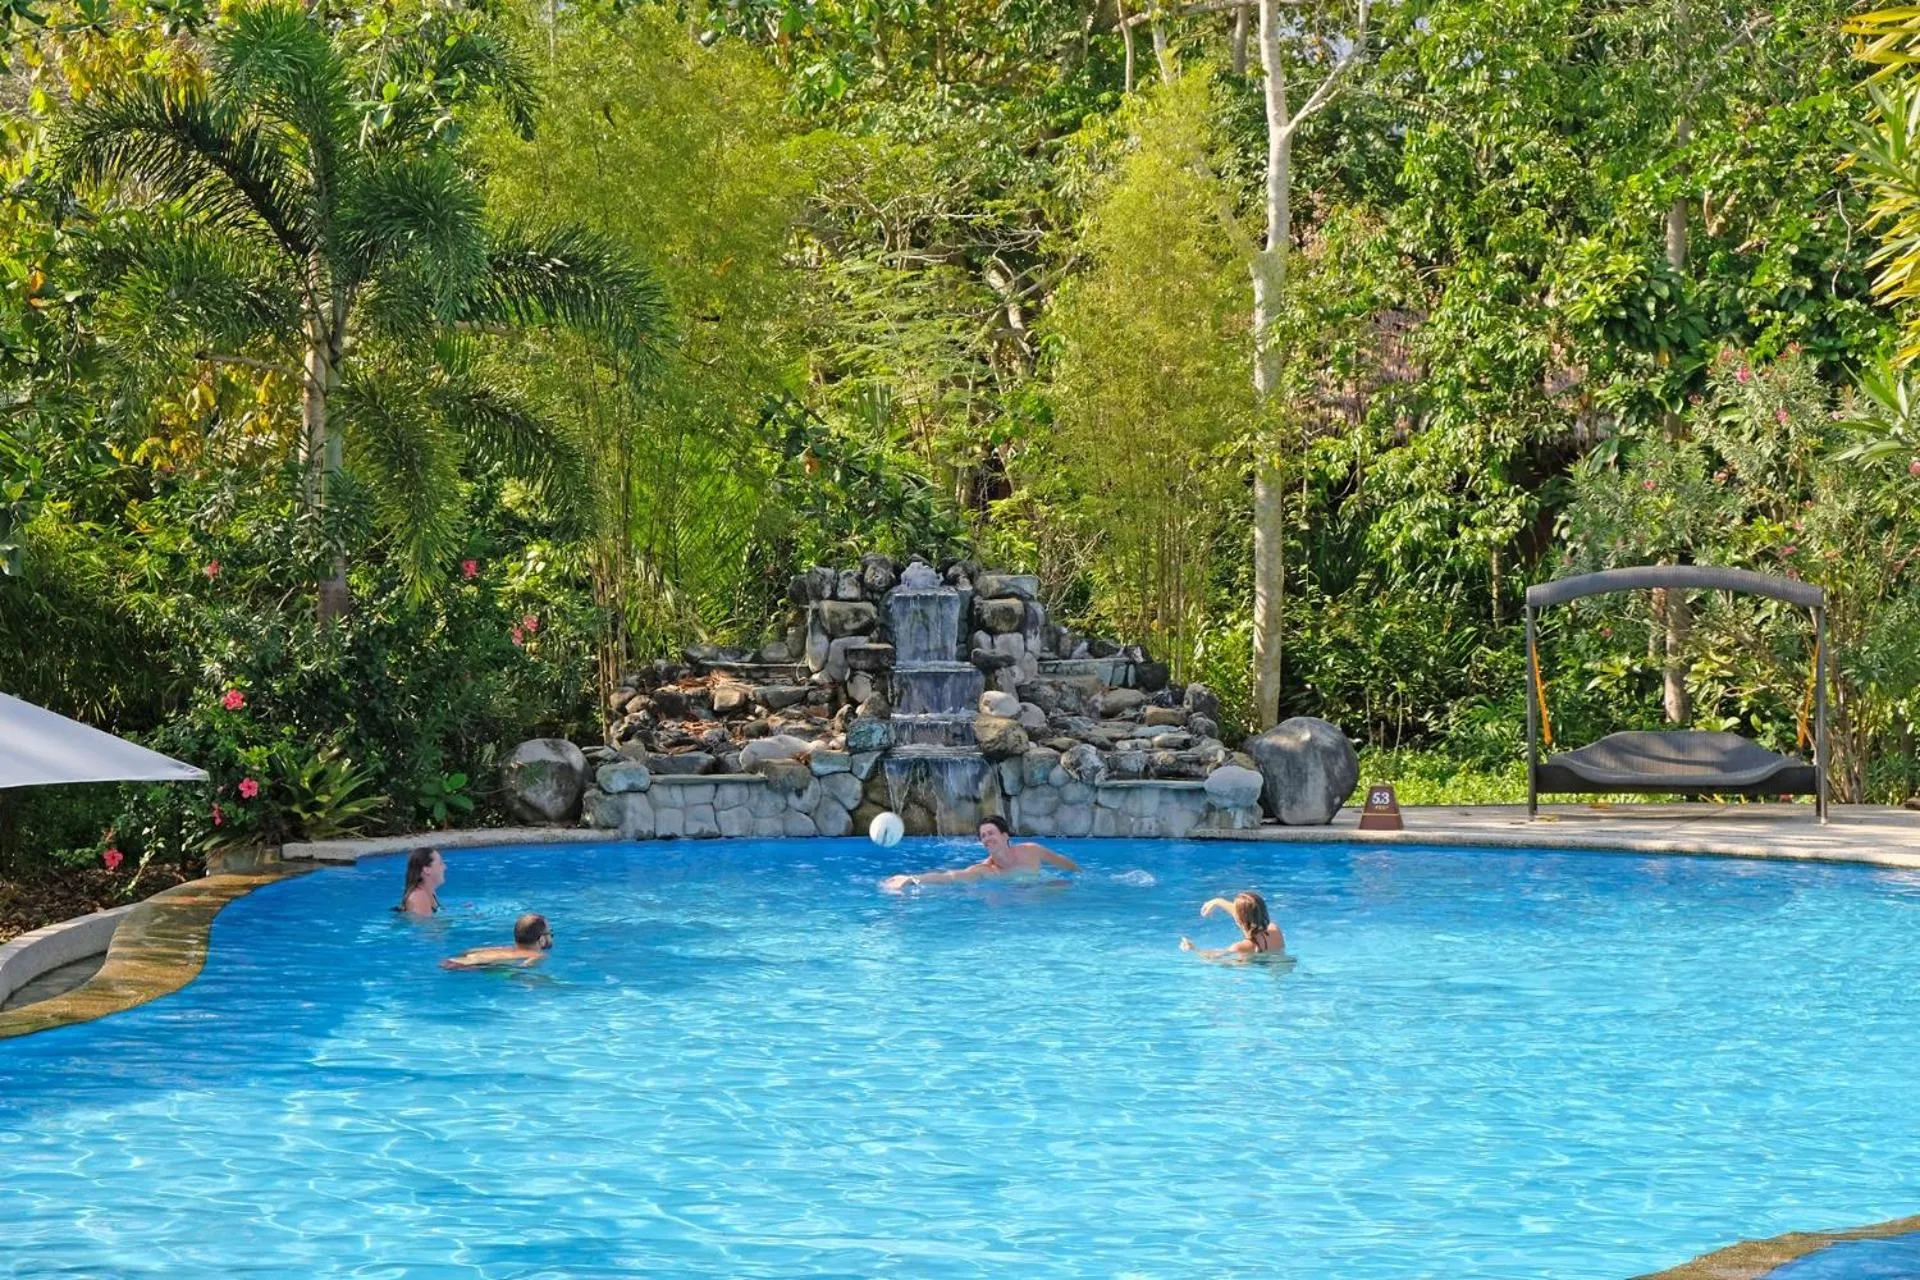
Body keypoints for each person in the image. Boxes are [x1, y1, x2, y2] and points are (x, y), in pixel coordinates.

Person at [880, 815, 1081, 891]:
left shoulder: (1032, 851)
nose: (986, 838)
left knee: (1063, 884)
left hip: (1038, 892)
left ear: (1005, 836)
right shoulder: (986, 870)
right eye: (983, 836)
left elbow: (1063, 863)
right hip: (1010, 901)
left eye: (991, 833)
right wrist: (913, 879)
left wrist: (1082, 874)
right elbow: (950, 876)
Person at [1180, 891, 1285, 960]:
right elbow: (1250, 913)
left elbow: (1212, 957)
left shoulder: (1241, 947)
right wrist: (1218, 901)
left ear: (1238, 919)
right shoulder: (1274, 929)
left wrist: (1194, 949)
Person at [442, 913, 553, 970]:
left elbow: (468, 952)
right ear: (542, 939)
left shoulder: (504, 949)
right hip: (467, 967)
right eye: (550, 933)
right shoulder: (537, 955)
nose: (551, 937)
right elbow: (523, 970)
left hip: (451, 961)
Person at [395, 847, 444, 916]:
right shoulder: (419, 897)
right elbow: (427, 925)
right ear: (427, 870)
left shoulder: (430, 893)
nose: (444, 867)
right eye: (440, 863)